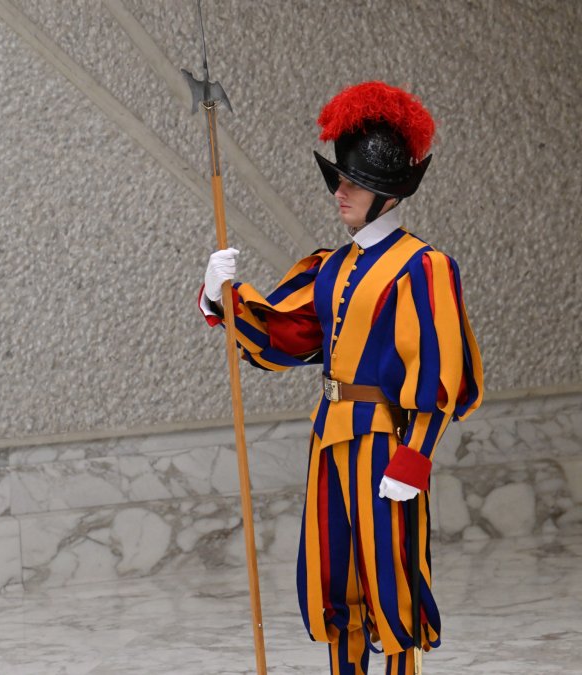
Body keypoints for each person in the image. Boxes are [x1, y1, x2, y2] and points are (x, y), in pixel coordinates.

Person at [200, 81, 484, 674]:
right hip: (328, 438)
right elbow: (283, 337)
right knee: (335, 579)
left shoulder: (423, 267)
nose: (340, 192)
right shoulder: (331, 267)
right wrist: (220, 295)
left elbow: (437, 371)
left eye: (353, 183)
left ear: (387, 195)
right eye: (339, 180)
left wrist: (415, 459)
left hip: (385, 444)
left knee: (392, 579)